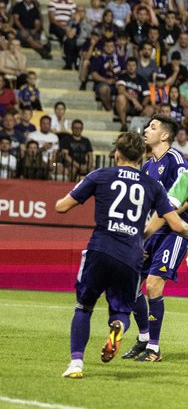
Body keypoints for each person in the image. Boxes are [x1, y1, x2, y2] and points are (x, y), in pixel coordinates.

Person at [55, 132, 188, 379]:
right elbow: (178, 225)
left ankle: (76, 364)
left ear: (117, 154)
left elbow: (61, 207)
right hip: (131, 255)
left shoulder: (100, 175)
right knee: (120, 312)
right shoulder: (153, 185)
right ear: (142, 157)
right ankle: (117, 327)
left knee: (84, 307)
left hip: (100, 249)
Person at [121, 115, 188, 362]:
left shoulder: (177, 162)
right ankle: (143, 338)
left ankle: (154, 349)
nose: (146, 130)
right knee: (130, 285)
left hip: (175, 231)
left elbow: (182, 200)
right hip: (151, 230)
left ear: (165, 135)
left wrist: (163, 220)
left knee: (153, 284)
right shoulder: (148, 165)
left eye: (153, 127)